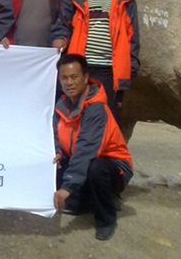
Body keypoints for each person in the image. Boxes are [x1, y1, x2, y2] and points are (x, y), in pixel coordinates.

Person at [51, 0, 139, 125]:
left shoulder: (126, 0)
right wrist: (60, 38)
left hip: (110, 71)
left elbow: (133, 37)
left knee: (106, 120)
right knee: (75, 117)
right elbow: (62, 24)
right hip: (80, 68)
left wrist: (131, 67)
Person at [53, 53, 133, 241]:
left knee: (96, 169)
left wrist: (68, 186)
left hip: (111, 166)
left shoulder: (96, 108)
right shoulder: (61, 106)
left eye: (74, 77)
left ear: (86, 77)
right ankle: (87, 201)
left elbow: (86, 149)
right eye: (64, 78)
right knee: (53, 172)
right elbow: (56, 135)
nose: (69, 82)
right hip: (81, 160)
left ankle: (106, 219)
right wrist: (58, 151)